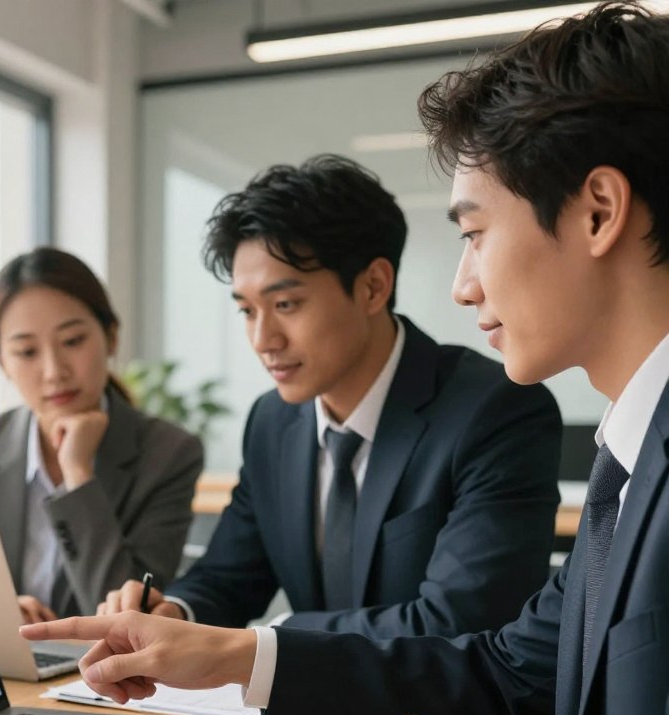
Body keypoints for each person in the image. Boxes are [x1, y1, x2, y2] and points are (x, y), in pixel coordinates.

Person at [24, 4, 669, 715]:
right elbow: (508, 668)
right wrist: (230, 650)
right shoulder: (637, 457)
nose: (460, 285)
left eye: (472, 233)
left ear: (596, 212)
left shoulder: (514, 416)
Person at [99, 156, 562, 640]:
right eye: (246, 310)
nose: (262, 338)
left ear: (373, 287)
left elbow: (462, 621)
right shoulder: (273, 421)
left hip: (438, 714)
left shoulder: (496, 409)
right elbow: (229, 579)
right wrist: (175, 612)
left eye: (285, 304)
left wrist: (274, 637)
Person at [0, 247, 203, 623]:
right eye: (26, 352)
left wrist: (77, 475)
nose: (54, 371)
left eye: (73, 342)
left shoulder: (167, 453)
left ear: (111, 337)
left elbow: (130, 617)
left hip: (98, 676)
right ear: (2, 364)